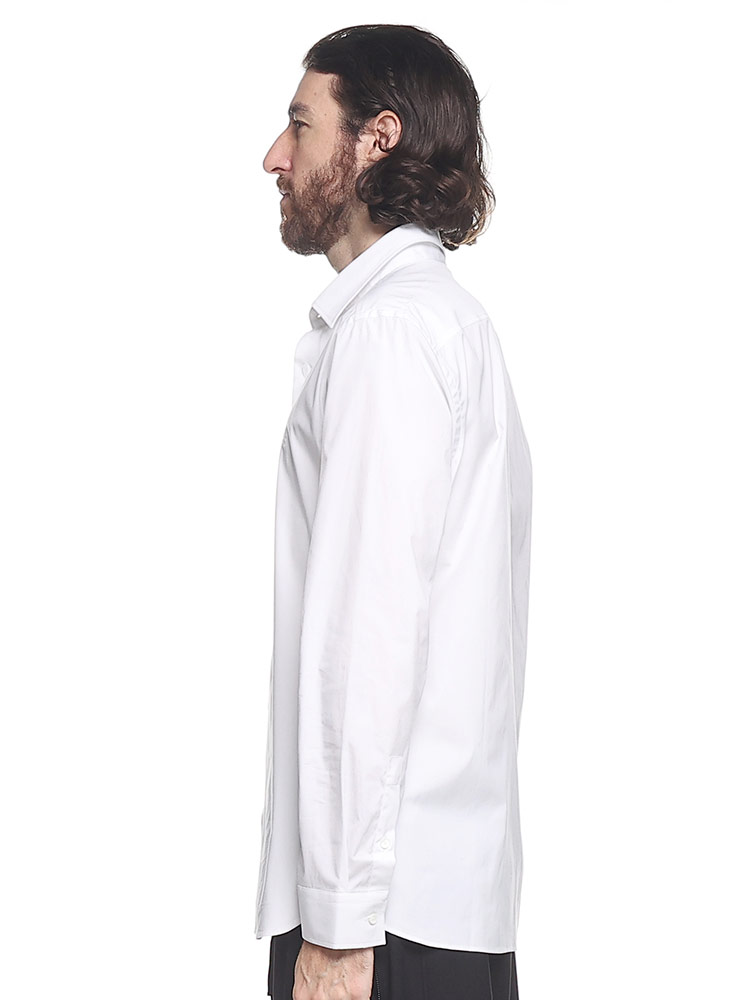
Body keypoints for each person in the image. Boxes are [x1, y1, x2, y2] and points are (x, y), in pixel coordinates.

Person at [256, 23, 532, 1000]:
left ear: (378, 137)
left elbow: (364, 644)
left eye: (300, 124)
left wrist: (335, 923)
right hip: (432, 912)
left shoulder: (390, 335)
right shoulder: (441, 323)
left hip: (378, 926)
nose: (274, 156)